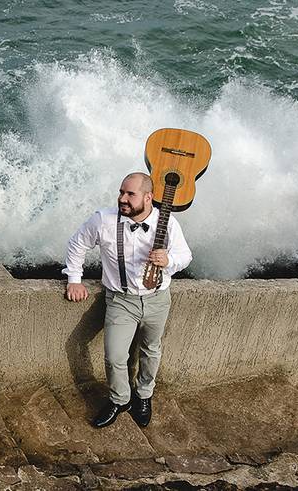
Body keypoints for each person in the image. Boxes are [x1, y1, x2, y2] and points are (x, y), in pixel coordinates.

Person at [63, 172, 192, 428]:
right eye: (121, 192)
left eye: (130, 194)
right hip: (121, 300)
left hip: (157, 299)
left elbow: (185, 255)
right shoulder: (103, 220)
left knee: (151, 350)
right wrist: (74, 279)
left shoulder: (167, 223)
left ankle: (144, 395)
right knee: (114, 356)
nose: (122, 198)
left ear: (148, 197)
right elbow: (77, 244)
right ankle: (120, 399)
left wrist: (169, 260)